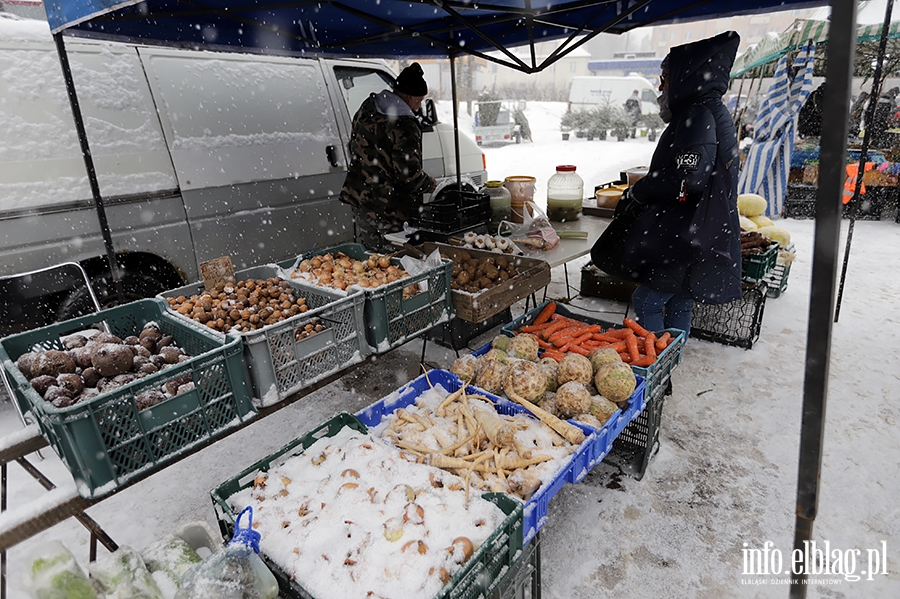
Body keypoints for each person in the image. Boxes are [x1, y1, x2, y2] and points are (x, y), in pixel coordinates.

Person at [601, 31, 743, 337]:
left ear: (685, 77)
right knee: (679, 299)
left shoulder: (699, 113)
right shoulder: (708, 109)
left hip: (686, 230)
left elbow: (688, 178)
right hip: (697, 228)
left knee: (648, 301)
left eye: (665, 77)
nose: (660, 86)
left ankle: (656, 364)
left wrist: (641, 189)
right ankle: (668, 364)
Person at [339, 62, 436, 251]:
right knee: (393, 262)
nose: (419, 106)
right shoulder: (405, 124)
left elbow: (353, 145)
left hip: (361, 199)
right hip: (389, 208)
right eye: (419, 100)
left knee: (370, 258)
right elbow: (408, 174)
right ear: (408, 97)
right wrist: (429, 183)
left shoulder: (368, 108)